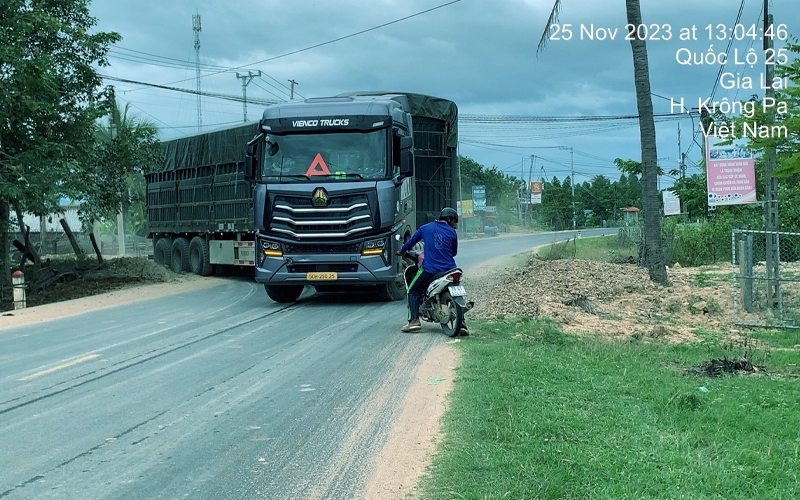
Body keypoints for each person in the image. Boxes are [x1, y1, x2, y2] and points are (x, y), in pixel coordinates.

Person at [396, 207, 466, 334]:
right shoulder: (452, 232)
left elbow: (411, 242)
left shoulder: (425, 228)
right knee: (457, 293)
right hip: (451, 269)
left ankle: (414, 321)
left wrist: (401, 251)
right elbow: (454, 252)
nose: (454, 225)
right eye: (454, 222)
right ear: (449, 219)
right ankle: (463, 323)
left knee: (412, 290)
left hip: (430, 269)